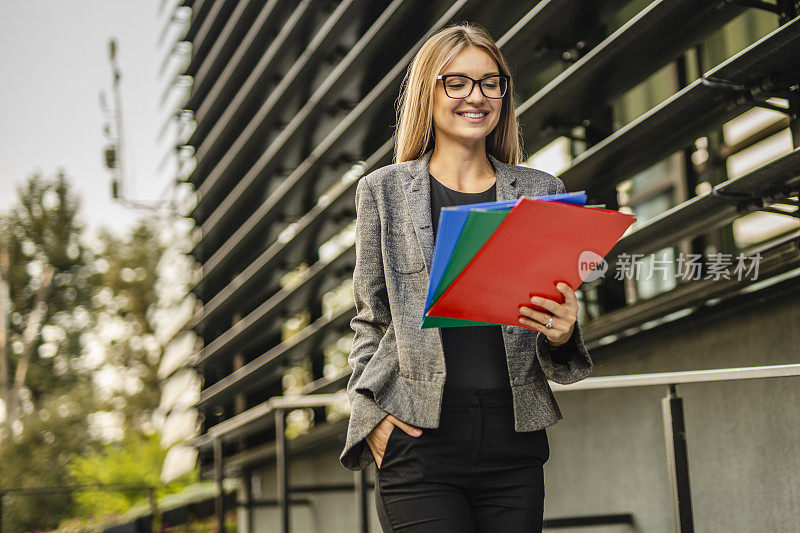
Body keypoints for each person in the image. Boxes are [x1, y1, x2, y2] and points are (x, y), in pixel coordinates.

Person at [339, 22, 593, 532]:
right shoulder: (383, 191)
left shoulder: (541, 191)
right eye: (456, 82)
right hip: (417, 436)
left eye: (489, 82)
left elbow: (550, 319)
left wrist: (564, 334)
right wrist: (372, 418)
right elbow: (371, 320)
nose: (475, 96)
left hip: (513, 440)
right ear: (428, 92)